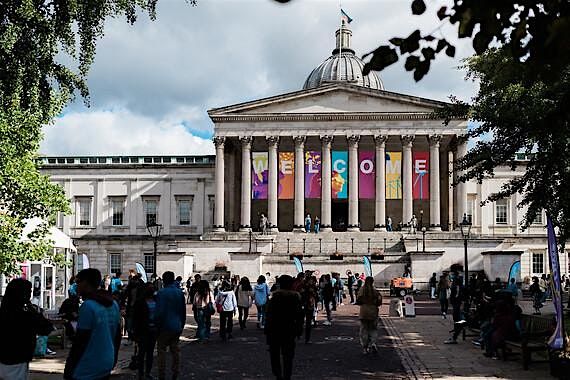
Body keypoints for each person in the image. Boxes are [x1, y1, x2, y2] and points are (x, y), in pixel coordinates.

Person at [64, 268, 121, 380]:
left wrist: (70, 367)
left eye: (78, 281)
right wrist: (114, 358)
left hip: (88, 364)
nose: (76, 285)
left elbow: (81, 342)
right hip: (107, 361)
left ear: (85, 283)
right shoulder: (113, 304)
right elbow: (117, 335)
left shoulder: (88, 306)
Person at [0, 279, 53, 379]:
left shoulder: (4, 313)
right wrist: (31, 307)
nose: (30, 295)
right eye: (29, 292)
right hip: (18, 359)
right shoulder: (25, 316)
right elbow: (47, 328)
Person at [264, 275, 304, 380]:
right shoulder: (296, 298)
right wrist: (299, 330)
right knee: (288, 356)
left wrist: (267, 330)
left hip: (275, 330)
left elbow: (269, 315)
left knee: (274, 354)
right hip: (290, 329)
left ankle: (277, 374)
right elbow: (300, 316)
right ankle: (287, 375)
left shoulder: (274, 297)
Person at [155, 271, 186, 380]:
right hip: (176, 325)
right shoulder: (179, 292)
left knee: (161, 351)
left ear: (164, 280)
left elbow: (159, 312)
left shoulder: (161, 293)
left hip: (164, 326)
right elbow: (183, 311)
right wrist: (182, 324)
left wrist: (157, 325)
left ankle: (161, 374)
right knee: (175, 351)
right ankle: (175, 372)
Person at [133, 283, 158, 380]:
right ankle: (141, 373)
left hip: (153, 330)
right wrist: (135, 333)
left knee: (150, 353)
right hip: (143, 331)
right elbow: (136, 318)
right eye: (150, 289)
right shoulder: (140, 302)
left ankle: (148, 372)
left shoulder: (156, 300)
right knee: (142, 353)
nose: (151, 290)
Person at [356, 277, 382, 355]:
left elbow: (358, 301)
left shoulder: (362, 290)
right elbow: (379, 302)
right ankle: (373, 343)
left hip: (364, 311)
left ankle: (365, 347)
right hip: (373, 311)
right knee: (373, 329)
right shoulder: (375, 291)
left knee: (364, 329)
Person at [300, 275, 318, 344]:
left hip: (310, 306)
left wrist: (314, 293)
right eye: (310, 280)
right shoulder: (304, 286)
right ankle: (299, 333)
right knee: (301, 321)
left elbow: (316, 295)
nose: (312, 281)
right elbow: (301, 294)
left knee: (308, 322)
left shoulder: (313, 287)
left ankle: (307, 339)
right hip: (304, 305)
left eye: (312, 280)